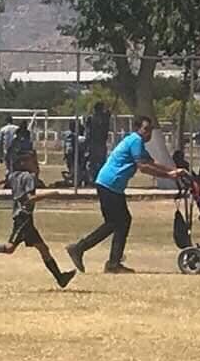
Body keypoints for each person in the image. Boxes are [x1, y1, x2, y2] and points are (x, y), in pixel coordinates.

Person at [66, 116, 183, 274]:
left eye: (150, 130)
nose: (148, 133)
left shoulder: (137, 143)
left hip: (113, 186)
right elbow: (143, 167)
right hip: (109, 184)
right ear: (137, 129)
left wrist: (173, 171)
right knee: (116, 222)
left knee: (120, 222)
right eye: (145, 129)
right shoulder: (136, 141)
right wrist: (169, 175)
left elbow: (151, 162)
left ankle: (110, 261)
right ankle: (82, 250)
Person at [0, 151, 76, 289]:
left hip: (23, 217)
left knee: (43, 248)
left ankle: (61, 278)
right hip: (23, 217)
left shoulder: (13, 175)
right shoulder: (28, 177)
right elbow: (30, 199)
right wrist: (52, 193)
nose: (35, 164)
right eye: (32, 161)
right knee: (10, 248)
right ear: (23, 163)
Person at [86, 102, 111, 182]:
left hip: (99, 143)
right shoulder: (94, 118)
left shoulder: (101, 117)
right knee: (95, 161)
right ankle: (94, 178)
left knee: (99, 161)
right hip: (95, 143)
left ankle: (97, 178)